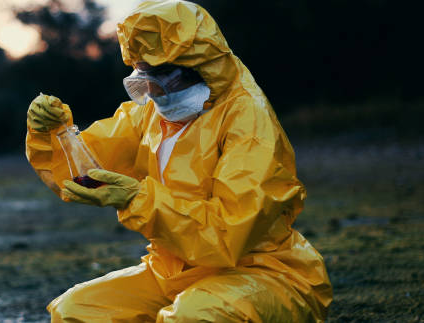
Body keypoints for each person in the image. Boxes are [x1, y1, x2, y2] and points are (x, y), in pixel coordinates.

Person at [25, 1, 332, 322]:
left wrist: (140, 201)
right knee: (76, 310)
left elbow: (228, 234)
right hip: (173, 272)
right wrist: (55, 134)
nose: (153, 89)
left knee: (194, 316)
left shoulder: (248, 121)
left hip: (263, 272)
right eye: (144, 74)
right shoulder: (153, 113)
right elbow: (83, 167)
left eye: (161, 74)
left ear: (200, 64)